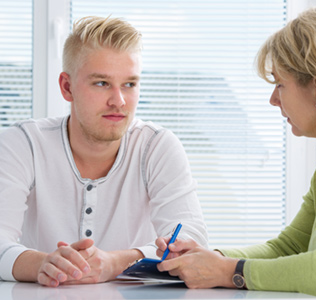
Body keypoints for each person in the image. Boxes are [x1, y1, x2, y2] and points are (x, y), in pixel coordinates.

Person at [155, 4, 316, 300]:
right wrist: (209, 257)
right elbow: (287, 248)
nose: (273, 100)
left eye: (280, 84)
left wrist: (226, 272)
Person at [0, 16, 208, 287]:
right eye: (102, 83)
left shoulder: (157, 146)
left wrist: (114, 263)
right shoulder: (22, 143)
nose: (118, 101)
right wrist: (42, 264)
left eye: (130, 84)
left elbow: (193, 245)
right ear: (67, 87)